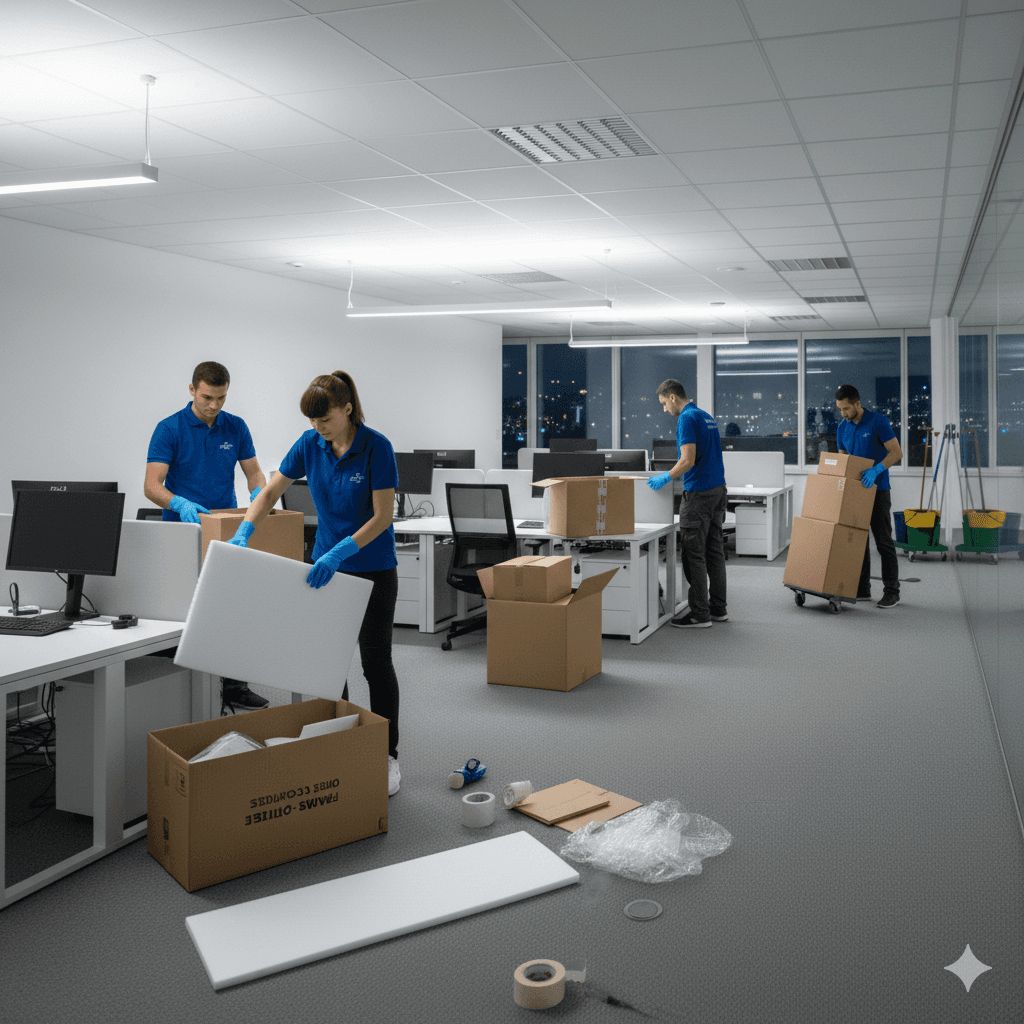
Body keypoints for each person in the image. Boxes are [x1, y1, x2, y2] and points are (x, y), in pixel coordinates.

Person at [226, 371, 403, 796]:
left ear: (346, 409)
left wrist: (342, 550)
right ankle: (335, 743)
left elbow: (383, 517)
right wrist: (246, 529)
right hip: (325, 569)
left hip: (373, 567)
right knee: (327, 665)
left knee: (374, 663)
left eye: (325, 419)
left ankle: (389, 754)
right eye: (312, 421)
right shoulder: (310, 445)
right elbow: (269, 493)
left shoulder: (376, 447)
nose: (319, 428)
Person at [144, 361, 270, 709]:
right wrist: (179, 502)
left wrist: (260, 494)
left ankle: (234, 685)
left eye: (221, 398)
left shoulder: (236, 427)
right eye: (207, 397)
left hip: (225, 527)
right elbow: (151, 486)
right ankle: (178, 682)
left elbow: (254, 473)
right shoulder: (169, 428)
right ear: (191, 390)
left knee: (230, 607)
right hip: (182, 530)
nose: (214, 405)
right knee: (183, 610)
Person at [647, 379, 728, 628]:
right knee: (715, 552)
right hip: (717, 491)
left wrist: (665, 476)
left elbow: (687, 460)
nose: (665, 410)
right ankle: (718, 609)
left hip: (699, 495)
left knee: (694, 553)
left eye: (663, 404)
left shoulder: (686, 419)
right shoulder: (705, 416)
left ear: (672, 397)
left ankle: (700, 614)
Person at [834, 384, 903, 609]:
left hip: (878, 489)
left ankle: (892, 591)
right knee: (858, 542)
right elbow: (842, 460)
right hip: (855, 492)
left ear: (857, 403)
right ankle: (863, 589)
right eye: (840, 409)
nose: (843, 413)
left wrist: (876, 470)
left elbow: (896, 453)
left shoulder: (878, 422)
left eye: (846, 409)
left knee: (883, 542)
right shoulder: (842, 428)